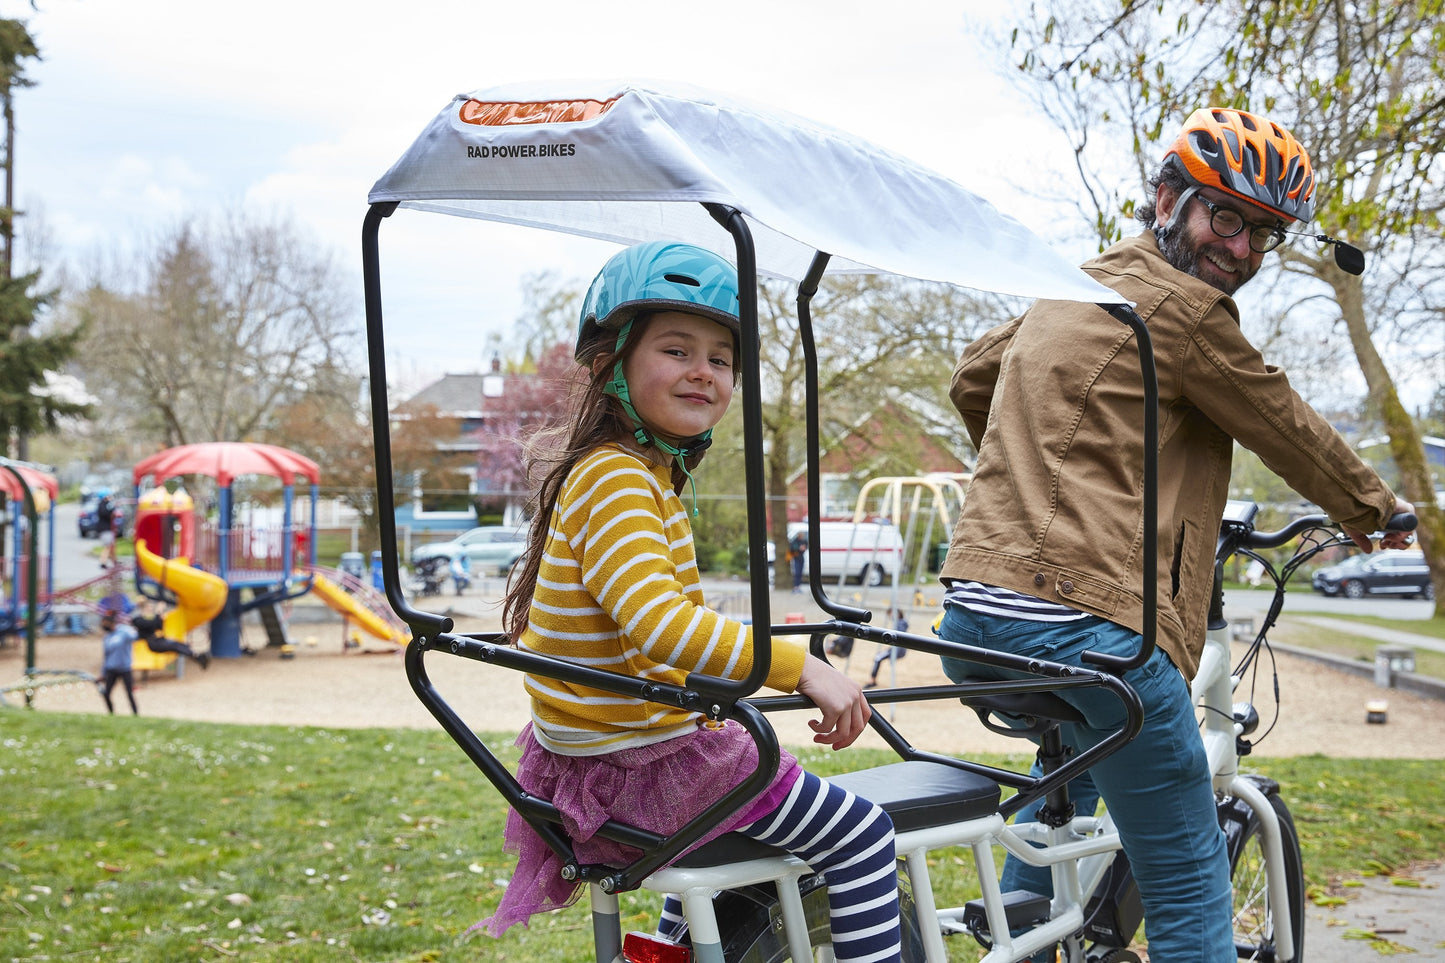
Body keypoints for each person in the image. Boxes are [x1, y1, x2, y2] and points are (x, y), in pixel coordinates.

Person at [936, 107, 1414, 962]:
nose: (1240, 250)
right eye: (1223, 217)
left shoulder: (1072, 285)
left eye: (1262, 234)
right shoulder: (1186, 313)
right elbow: (1283, 422)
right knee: (1190, 879)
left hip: (971, 613)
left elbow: (973, 378)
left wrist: (1048, 480)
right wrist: (1374, 510)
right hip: (1080, 619)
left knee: (1076, 766)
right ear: (1165, 198)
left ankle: (1019, 926)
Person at [483, 241, 901, 962]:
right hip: (641, 766)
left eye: (719, 358)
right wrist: (800, 666)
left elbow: (652, 631)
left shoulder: (626, 473)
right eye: (676, 350)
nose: (702, 371)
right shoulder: (617, 479)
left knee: (713, 806)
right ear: (610, 363)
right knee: (861, 834)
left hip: (609, 763)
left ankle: (676, 949)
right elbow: (663, 624)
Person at [131, 597, 210, 669]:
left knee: (179, 644)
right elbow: (148, 624)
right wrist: (158, 614)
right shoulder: (137, 619)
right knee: (175, 645)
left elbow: (159, 627)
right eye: (149, 607)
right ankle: (197, 657)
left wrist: (160, 617)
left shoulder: (151, 618)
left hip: (157, 640)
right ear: (144, 608)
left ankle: (197, 656)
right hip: (152, 644)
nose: (151, 608)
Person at [98, 609, 139, 715]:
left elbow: (135, 636)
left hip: (125, 669)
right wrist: (103, 673)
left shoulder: (124, 632)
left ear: (112, 623)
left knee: (129, 693)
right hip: (111, 669)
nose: (104, 626)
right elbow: (106, 655)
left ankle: (136, 715)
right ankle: (111, 714)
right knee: (106, 693)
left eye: (105, 624)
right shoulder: (107, 637)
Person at [864, 608, 909, 688]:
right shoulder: (900, 622)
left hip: (898, 650)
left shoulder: (901, 623)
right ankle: (873, 679)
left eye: (891, 614)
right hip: (896, 649)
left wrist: (894, 654)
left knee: (878, 658)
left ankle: (872, 680)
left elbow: (900, 636)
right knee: (878, 656)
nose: (890, 616)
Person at [95, 491, 118, 568]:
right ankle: (103, 562)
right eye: (109, 496)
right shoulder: (103, 506)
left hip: (107, 529)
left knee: (111, 546)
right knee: (108, 546)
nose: (110, 497)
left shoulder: (105, 505)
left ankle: (114, 561)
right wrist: (112, 509)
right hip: (105, 529)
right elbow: (106, 514)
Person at [788, 528, 807, 592]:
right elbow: (792, 549)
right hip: (796, 558)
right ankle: (795, 586)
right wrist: (799, 548)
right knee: (797, 572)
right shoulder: (794, 541)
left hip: (801, 558)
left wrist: (804, 548)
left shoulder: (803, 541)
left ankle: (798, 586)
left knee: (800, 573)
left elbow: (806, 546)